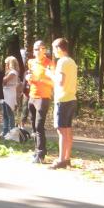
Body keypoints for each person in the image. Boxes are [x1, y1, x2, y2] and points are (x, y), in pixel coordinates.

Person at [46, 38, 77, 169]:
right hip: (71, 98)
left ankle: (61, 160)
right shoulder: (71, 61)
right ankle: (67, 158)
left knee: (61, 130)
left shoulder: (62, 62)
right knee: (67, 129)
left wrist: (50, 74)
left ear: (59, 48)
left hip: (63, 99)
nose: (53, 52)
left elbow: (60, 82)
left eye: (54, 49)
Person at [27, 41, 54, 163]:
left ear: (44, 50)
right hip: (32, 96)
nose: (37, 51)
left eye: (39, 49)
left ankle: (41, 154)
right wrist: (28, 79)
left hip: (43, 97)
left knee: (39, 125)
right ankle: (36, 150)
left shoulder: (50, 63)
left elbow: (53, 82)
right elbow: (30, 78)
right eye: (35, 49)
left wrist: (39, 79)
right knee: (33, 126)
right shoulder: (31, 62)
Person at [1, 56, 19, 137]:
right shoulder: (8, 72)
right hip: (5, 92)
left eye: (6, 63)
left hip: (10, 93)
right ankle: (5, 131)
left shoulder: (13, 72)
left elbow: (4, 81)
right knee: (5, 114)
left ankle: (12, 132)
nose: (5, 65)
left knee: (9, 114)